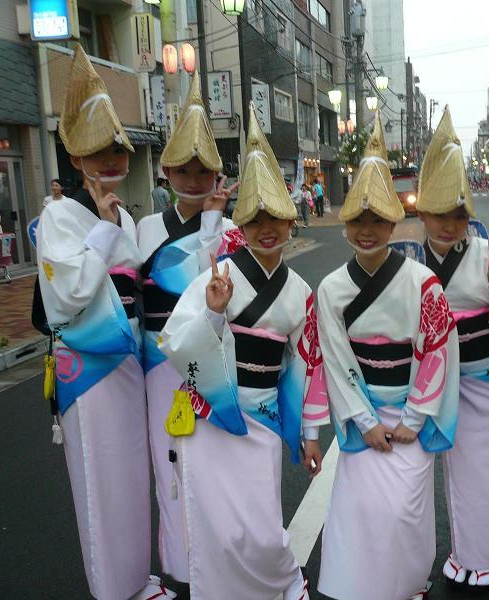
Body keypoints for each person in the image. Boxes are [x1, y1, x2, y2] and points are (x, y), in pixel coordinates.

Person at [157, 103, 327, 599]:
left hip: (264, 418)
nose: (266, 229)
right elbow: (177, 339)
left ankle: (284, 581)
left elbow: (309, 367)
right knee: (217, 525)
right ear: (243, 227)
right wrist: (214, 312)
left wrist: (310, 434)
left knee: (261, 526)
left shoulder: (300, 293)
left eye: (276, 218)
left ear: (291, 221)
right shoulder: (221, 275)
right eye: (254, 220)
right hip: (213, 416)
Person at [36, 45, 173, 600]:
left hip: (127, 361)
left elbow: (137, 285)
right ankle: (115, 589)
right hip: (88, 369)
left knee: (132, 475)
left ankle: (137, 578)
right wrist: (103, 226)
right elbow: (70, 292)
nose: (111, 160)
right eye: (97, 151)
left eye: (117, 149)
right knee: (101, 479)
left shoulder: (118, 215)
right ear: (76, 159)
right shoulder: (58, 217)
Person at [317, 112, 460, 600]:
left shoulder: (423, 282)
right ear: (345, 222)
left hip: (410, 413)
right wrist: (365, 421)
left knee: (405, 511)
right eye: (358, 220)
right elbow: (337, 359)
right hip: (367, 415)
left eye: (378, 220)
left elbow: (437, 352)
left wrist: (415, 419)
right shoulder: (331, 289)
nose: (368, 230)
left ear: (394, 221)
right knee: (360, 512)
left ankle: (409, 583)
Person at [416, 107, 489, 590]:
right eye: (439, 215)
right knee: (458, 473)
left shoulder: (488, 254)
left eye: (458, 216)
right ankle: (465, 551)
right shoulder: (413, 263)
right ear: (422, 213)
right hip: (444, 385)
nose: (449, 226)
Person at [136, 71, 242, 591]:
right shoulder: (145, 228)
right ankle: (181, 565)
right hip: (159, 362)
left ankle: (216, 560)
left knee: (211, 462)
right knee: (169, 461)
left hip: (207, 358)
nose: (196, 179)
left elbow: (213, 291)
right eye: (185, 169)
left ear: (217, 173)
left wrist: (212, 226)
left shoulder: (229, 230)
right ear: (167, 169)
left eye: (205, 170)